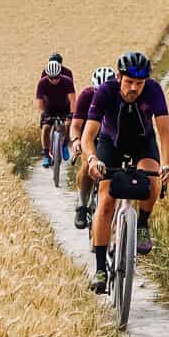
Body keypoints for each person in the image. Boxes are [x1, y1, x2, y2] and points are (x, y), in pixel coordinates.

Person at [80, 50, 169, 292]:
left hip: (143, 143)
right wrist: (92, 160)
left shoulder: (153, 91)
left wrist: (167, 164)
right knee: (106, 201)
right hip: (111, 143)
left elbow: (165, 133)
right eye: (129, 82)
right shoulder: (105, 92)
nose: (134, 88)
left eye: (139, 83)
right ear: (119, 77)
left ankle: (142, 223)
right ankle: (100, 269)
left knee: (151, 183)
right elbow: (88, 136)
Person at [70, 65, 114, 228]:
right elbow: (76, 125)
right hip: (90, 138)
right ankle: (82, 206)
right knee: (88, 166)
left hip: (110, 138)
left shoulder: (119, 97)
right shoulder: (86, 96)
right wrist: (75, 141)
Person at [36, 53, 76, 167]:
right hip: (50, 107)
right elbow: (39, 100)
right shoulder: (42, 82)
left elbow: (73, 99)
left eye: (57, 77)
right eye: (51, 78)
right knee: (46, 128)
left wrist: (71, 114)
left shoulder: (67, 79)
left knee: (67, 125)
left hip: (64, 106)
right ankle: (46, 155)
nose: (54, 80)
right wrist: (43, 113)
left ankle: (64, 144)